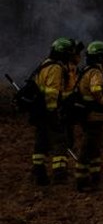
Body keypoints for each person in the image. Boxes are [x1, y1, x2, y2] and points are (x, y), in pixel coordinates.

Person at [30, 37, 74, 186]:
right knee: (60, 142)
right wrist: (53, 112)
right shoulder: (56, 68)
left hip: (39, 111)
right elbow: (52, 93)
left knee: (41, 143)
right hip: (50, 111)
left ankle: (38, 172)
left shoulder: (44, 65)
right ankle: (60, 175)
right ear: (64, 53)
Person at [75, 41, 103, 193]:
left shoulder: (86, 70)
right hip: (93, 116)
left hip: (89, 116)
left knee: (94, 148)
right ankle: (82, 181)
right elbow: (96, 90)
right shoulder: (95, 73)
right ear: (100, 57)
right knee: (88, 148)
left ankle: (95, 176)